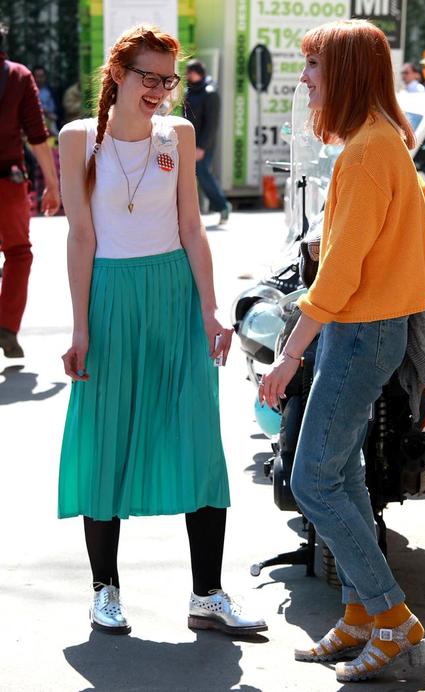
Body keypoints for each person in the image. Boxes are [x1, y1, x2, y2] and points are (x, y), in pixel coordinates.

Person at [259, 20, 425, 683]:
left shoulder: (367, 152)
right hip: (369, 331)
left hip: (359, 331)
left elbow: (338, 275)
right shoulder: (384, 143)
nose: (306, 78)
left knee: (312, 477)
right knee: (339, 475)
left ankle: (392, 619)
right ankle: (360, 616)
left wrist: (287, 357)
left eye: (314, 66)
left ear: (343, 71)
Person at [58, 24, 267, 637]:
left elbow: (192, 229)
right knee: (106, 439)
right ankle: (104, 590)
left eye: (167, 80)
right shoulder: (79, 140)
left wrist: (211, 310)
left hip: (176, 295)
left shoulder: (177, 134)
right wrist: (79, 328)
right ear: (118, 74)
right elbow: (80, 236)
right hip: (112, 296)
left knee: (198, 437)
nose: (159, 90)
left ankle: (208, 594)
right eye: (148, 77)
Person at [0, 23, 60, 358]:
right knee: (18, 253)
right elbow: (37, 135)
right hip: (8, 183)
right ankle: (6, 325)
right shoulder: (18, 77)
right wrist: (53, 185)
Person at [183, 59, 231, 224]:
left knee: (203, 174)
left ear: (199, 73)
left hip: (203, 143)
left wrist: (202, 147)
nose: (188, 75)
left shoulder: (210, 92)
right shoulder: (189, 91)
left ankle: (222, 206)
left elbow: (212, 124)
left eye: (191, 72)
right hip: (189, 141)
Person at [32, 65, 59, 135]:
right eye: (37, 76)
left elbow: (55, 110)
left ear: (45, 77)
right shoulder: (29, 92)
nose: (39, 79)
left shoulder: (51, 91)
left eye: (41, 76)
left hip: (50, 122)